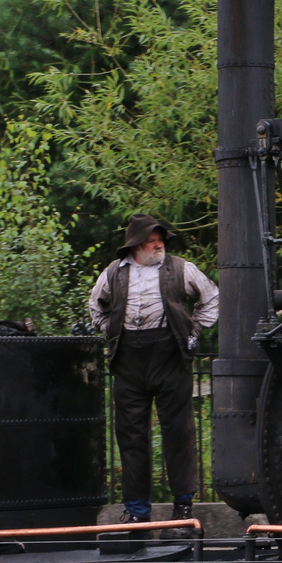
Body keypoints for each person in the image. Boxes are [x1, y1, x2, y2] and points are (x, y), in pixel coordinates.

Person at [89, 214, 219, 538]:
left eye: (161, 238)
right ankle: (136, 514)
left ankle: (183, 511)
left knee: (179, 432)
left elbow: (211, 297)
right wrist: (112, 333)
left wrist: (195, 329)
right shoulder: (113, 273)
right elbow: (95, 306)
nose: (159, 243)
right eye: (152, 239)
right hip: (129, 361)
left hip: (169, 356)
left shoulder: (181, 268)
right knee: (130, 436)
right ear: (136, 245)